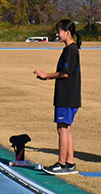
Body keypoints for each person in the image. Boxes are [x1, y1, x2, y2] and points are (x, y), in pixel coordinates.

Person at [33, 19, 82, 175]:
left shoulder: (71, 50)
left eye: (59, 31)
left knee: (62, 129)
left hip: (67, 96)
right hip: (68, 95)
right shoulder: (69, 49)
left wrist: (47, 75)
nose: (57, 34)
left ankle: (61, 164)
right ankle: (70, 163)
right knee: (66, 128)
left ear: (67, 32)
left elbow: (66, 73)